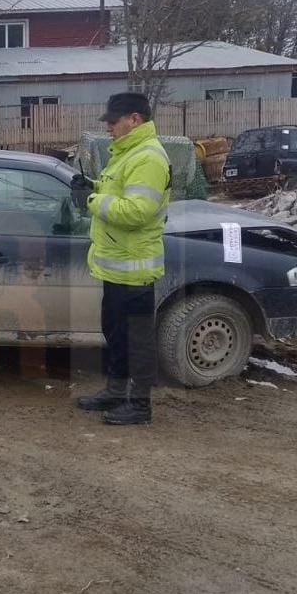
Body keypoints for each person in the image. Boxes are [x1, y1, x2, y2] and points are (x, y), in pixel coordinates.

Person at [71, 92, 171, 426]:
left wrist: (91, 201)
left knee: (138, 341)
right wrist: (92, 185)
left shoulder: (149, 158)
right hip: (116, 267)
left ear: (135, 120)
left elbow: (136, 212)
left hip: (136, 271)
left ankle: (140, 405)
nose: (109, 128)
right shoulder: (126, 154)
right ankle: (115, 391)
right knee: (115, 334)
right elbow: (117, 192)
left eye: (113, 122)